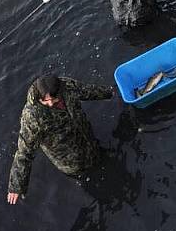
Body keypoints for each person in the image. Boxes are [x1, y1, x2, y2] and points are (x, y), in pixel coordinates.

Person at [7, 75, 114, 204]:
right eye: (45, 101)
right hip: (71, 161)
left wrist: (110, 92)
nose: (51, 104)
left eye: (54, 99)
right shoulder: (32, 117)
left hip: (88, 141)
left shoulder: (67, 86)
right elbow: (24, 151)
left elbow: (87, 91)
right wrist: (17, 185)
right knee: (95, 183)